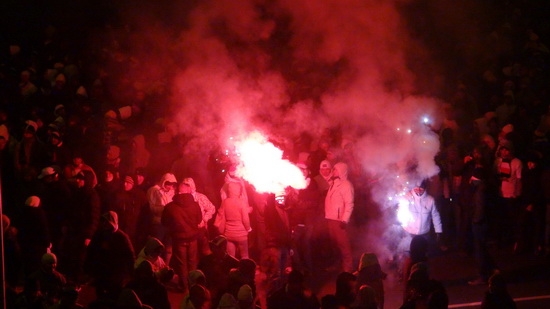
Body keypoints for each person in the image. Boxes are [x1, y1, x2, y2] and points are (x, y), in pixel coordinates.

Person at [161, 181, 202, 293]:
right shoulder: (195, 205)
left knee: (181, 263)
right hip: (193, 238)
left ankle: (184, 287)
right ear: (188, 191)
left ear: (178, 191)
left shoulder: (170, 207)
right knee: (192, 262)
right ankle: (193, 285)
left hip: (178, 239)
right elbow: (199, 219)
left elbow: (164, 222)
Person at [83, 211, 135, 300]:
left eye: (107, 222)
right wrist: (87, 268)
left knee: (114, 295)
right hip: (101, 271)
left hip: (116, 272)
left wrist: (131, 273)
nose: (105, 224)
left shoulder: (121, 237)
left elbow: (130, 256)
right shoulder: (99, 234)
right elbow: (91, 251)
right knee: (100, 294)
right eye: (104, 222)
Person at [325, 162, 354, 272]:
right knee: (334, 246)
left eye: (336, 169)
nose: (333, 171)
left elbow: (349, 203)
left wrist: (344, 220)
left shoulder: (346, 185)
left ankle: (348, 269)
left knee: (344, 247)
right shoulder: (333, 184)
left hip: (339, 221)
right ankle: (337, 266)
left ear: (342, 171)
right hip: (331, 219)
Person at [400, 180, 443, 253]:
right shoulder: (407, 197)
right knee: (409, 253)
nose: (419, 190)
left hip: (424, 234)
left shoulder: (430, 200)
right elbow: (402, 212)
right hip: (410, 233)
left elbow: (436, 216)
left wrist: (438, 231)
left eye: (421, 188)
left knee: (423, 253)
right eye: (416, 187)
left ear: (425, 187)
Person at [182, 177, 216, 256]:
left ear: (192, 186)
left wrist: (205, 218)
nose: (186, 187)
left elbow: (211, 208)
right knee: (191, 253)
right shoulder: (181, 199)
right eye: (184, 185)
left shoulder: (200, 197)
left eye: (188, 185)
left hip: (201, 229)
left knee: (203, 251)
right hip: (188, 230)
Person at [221, 182, 252, 259]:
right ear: (237, 191)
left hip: (229, 234)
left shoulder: (225, 202)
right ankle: (244, 270)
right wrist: (248, 228)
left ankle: (232, 270)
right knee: (244, 256)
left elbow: (223, 217)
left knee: (231, 258)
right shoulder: (241, 202)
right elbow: (245, 219)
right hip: (241, 234)